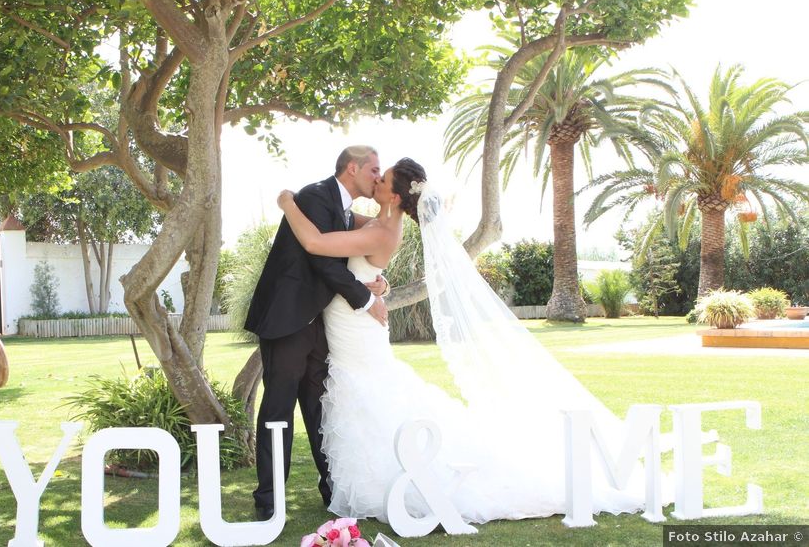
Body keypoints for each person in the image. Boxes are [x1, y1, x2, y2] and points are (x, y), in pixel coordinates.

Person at [275, 157, 648, 523]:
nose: (376, 183)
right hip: (355, 326)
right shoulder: (381, 224)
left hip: (357, 332)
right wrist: (381, 284)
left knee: (371, 397)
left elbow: (313, 242)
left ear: (394, 197)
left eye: (382, 180)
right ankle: (384, 478)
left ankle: (407, 479)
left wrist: (288, 203)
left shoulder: (379, 231)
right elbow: (345, 233)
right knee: (373, 398)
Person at [244, 145, 391, 521]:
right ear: (353, 168)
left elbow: (365, 246)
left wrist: (379, 283)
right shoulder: (313, 196)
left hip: (318, 324)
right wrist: (364, 300)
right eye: (374, 169)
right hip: (287, 319)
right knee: (279, 408)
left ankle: (333, 491)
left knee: (319, 407)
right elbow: (322, 260)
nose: (378, 176)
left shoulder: (341, 208)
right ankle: (268, 501)